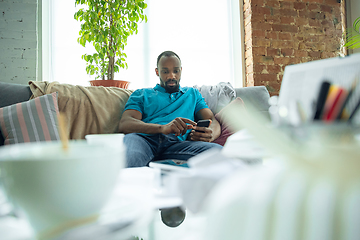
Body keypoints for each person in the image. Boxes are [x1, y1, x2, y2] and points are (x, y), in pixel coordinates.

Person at [118, 51, 222, 167]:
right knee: (131, 159)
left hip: (178, 144)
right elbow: (126, 123)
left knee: (220, 154)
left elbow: (212, 119)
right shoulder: (142, 94)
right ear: (157, 72)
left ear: (181, 71)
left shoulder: (192, 94)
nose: (171, 76)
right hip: (144, 140)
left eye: (176, 71)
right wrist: (163, 128)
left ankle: (167, 170)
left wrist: (211, 133)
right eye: (165, 71)